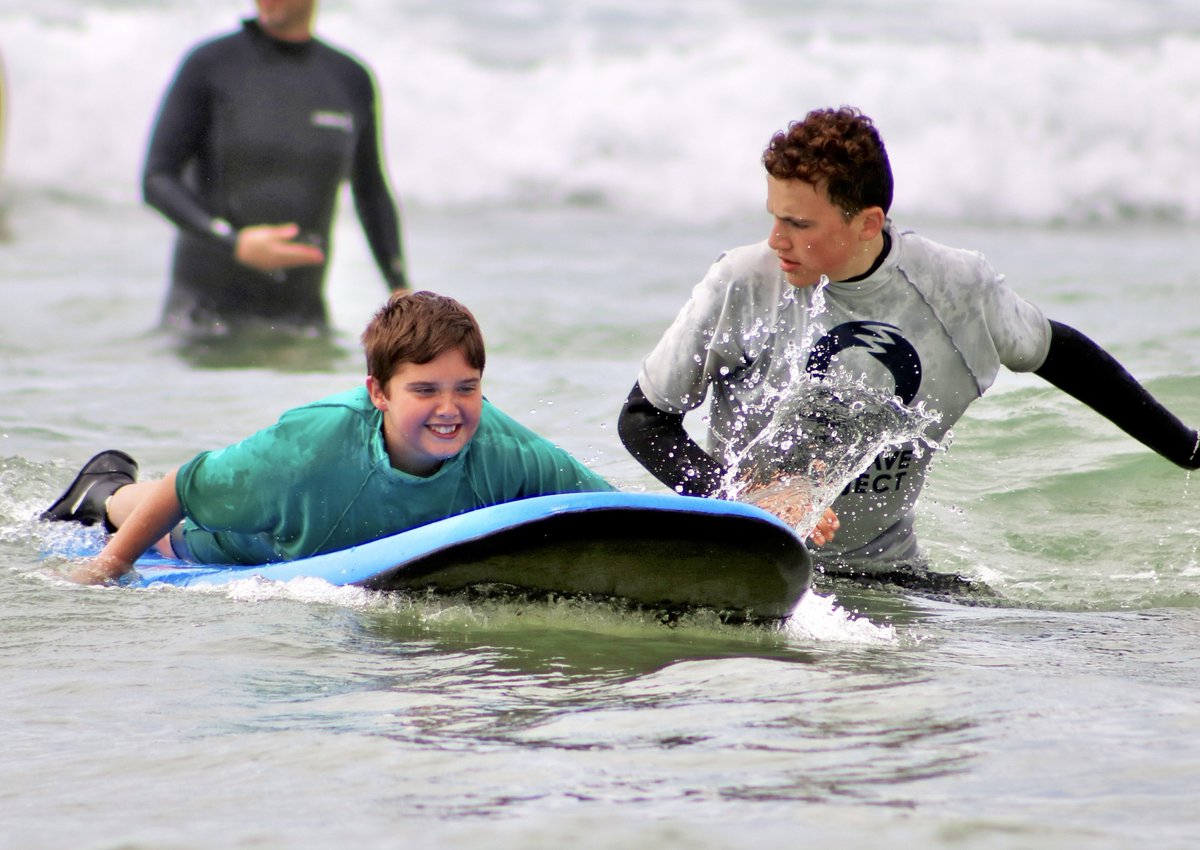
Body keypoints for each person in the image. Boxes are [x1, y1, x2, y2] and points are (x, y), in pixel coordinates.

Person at [618, 106, 1199, 588]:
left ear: (868, 223)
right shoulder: (744, 283)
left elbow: (1059, 352)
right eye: (773, 217)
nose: (776, 240)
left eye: (800, 224)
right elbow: (643, 419)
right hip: (752, 570)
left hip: (884, 575)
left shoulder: (955, 288)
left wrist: (1190, 450)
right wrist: (746, 500)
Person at [43, 291, 614, 585]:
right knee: (178, 524)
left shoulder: (504, 450)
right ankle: (103, 492)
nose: (450, 409)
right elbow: (186, 487)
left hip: (353, 539)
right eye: (424, 391)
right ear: (379, 393)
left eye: (466, 388)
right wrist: (109, 567)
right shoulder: (310, 445)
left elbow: (607, 509)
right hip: (242, 544)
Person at [142, 0, 408, 333]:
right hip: (204, 322)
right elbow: (157, 179)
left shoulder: (349, 78)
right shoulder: (211, 64)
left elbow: (370, 190)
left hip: (302, 324)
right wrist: (234, 243)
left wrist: (399, 290)